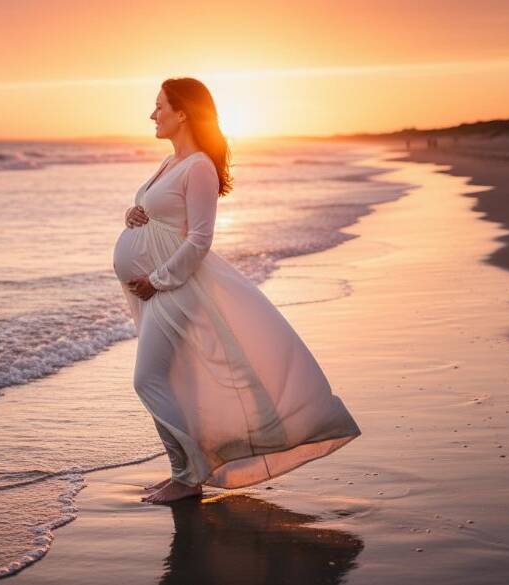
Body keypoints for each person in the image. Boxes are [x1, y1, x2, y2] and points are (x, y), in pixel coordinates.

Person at [113, 77, 361, 504]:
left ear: (183, 112)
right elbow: (161, 217)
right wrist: (133, 214)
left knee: (147, 380)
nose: (152, 114)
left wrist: (157, 280)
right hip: (155, 291)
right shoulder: (171, 162)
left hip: (174, 289)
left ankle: (186, 478)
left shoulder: (199, 167)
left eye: (160, 106)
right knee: (173, 381)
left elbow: (200, 239)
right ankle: (184, 473)